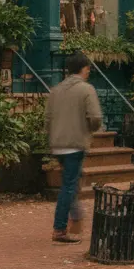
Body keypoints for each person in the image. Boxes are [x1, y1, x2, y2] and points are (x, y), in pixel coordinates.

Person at [46, 52, 102, 243]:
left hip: (57, 143)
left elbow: (47, 119)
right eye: (88, 68)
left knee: (73, 181)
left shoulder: (56, 90)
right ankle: (60, 229)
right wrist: (90, 129)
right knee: (69, 186)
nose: (89, 72)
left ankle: (77, 217)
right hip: (75, 143)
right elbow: (95, 117)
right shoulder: (86, 89)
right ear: (84, 69)